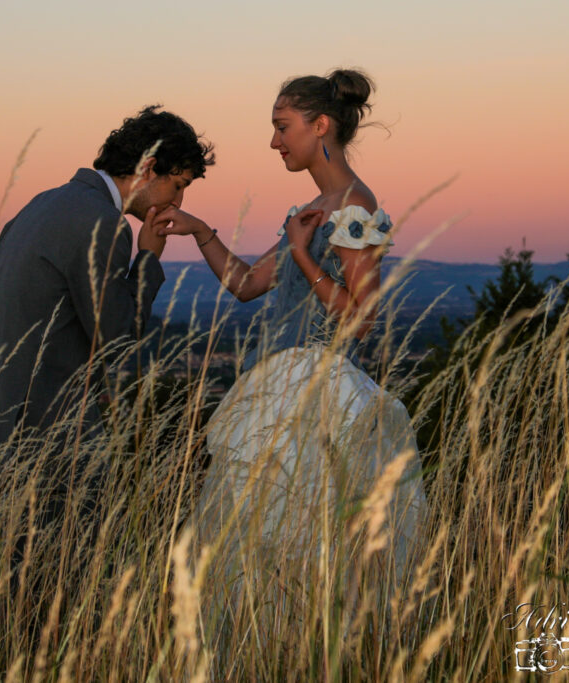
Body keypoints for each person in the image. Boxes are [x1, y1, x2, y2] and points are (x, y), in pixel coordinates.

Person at [158, 69, 426, 636]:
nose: (275, 141)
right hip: (277, 388)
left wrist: (304, 253)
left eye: (283, 127)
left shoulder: (354, 204)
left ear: (320, 124)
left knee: (298, 538)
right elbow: (248, 284)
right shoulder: (318, 204)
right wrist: (201, 230)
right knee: (258, 541)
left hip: (317, 394)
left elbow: (362, 316)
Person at [0, 105, 214, 457]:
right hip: (47, 436)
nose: (178, 200)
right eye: (178, 185)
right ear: (151, 169)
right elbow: (119, 337)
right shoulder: (104, 223)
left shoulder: (37, 206)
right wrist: (148, 258)